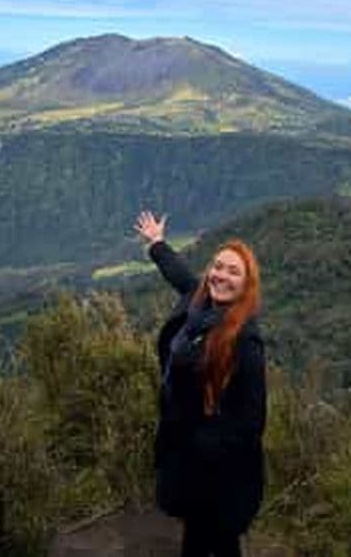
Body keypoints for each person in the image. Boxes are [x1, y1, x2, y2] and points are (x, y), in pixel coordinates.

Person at [134, 210, 267, 557]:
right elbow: (179, 275)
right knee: (196, 538)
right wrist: (157, 244)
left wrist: (203, 445)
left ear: (246, 285)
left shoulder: (245, 341)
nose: (221, 275)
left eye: (233, 272)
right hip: (190, 460)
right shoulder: (199, 300)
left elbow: (252, 421)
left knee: (220, 542)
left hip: (221, 471)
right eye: (218, 267)